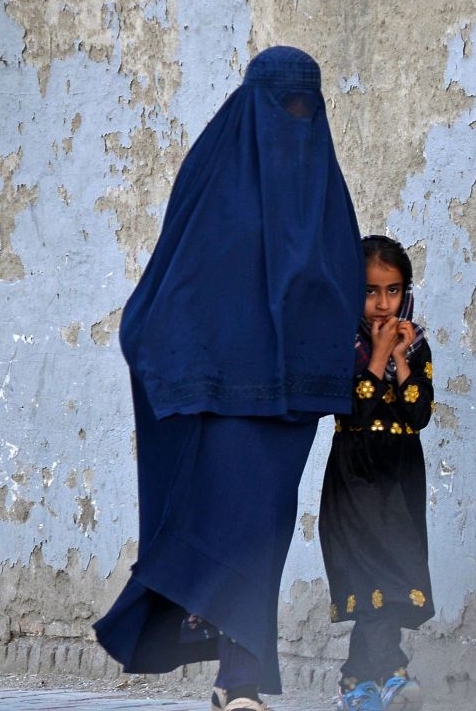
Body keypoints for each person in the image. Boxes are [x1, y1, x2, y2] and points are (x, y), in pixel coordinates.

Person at [92, 46, 364, 711]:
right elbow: (172, 282)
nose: (295, 120)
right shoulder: (216, 174)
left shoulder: (323, 191)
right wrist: (180, 364)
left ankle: (237, 682)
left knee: (263, 534)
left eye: (307, 107)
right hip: (221, 395)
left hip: (290, 402)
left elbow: (342, 281)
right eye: (283, 106)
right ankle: (238, 684)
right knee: (231, 530)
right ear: (254, 105)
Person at [321, 235, 435, 711]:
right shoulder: (339, 344)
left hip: (400, 478)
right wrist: (377, 355)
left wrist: (401, 360)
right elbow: (354, 408)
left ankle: (354, 682)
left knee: (392, 578)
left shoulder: (417, 344)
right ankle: (392, 673)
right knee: (376, 579)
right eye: (370, 291)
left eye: (392, 290)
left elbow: (419, 414)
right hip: (356, 478)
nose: (382, 304)